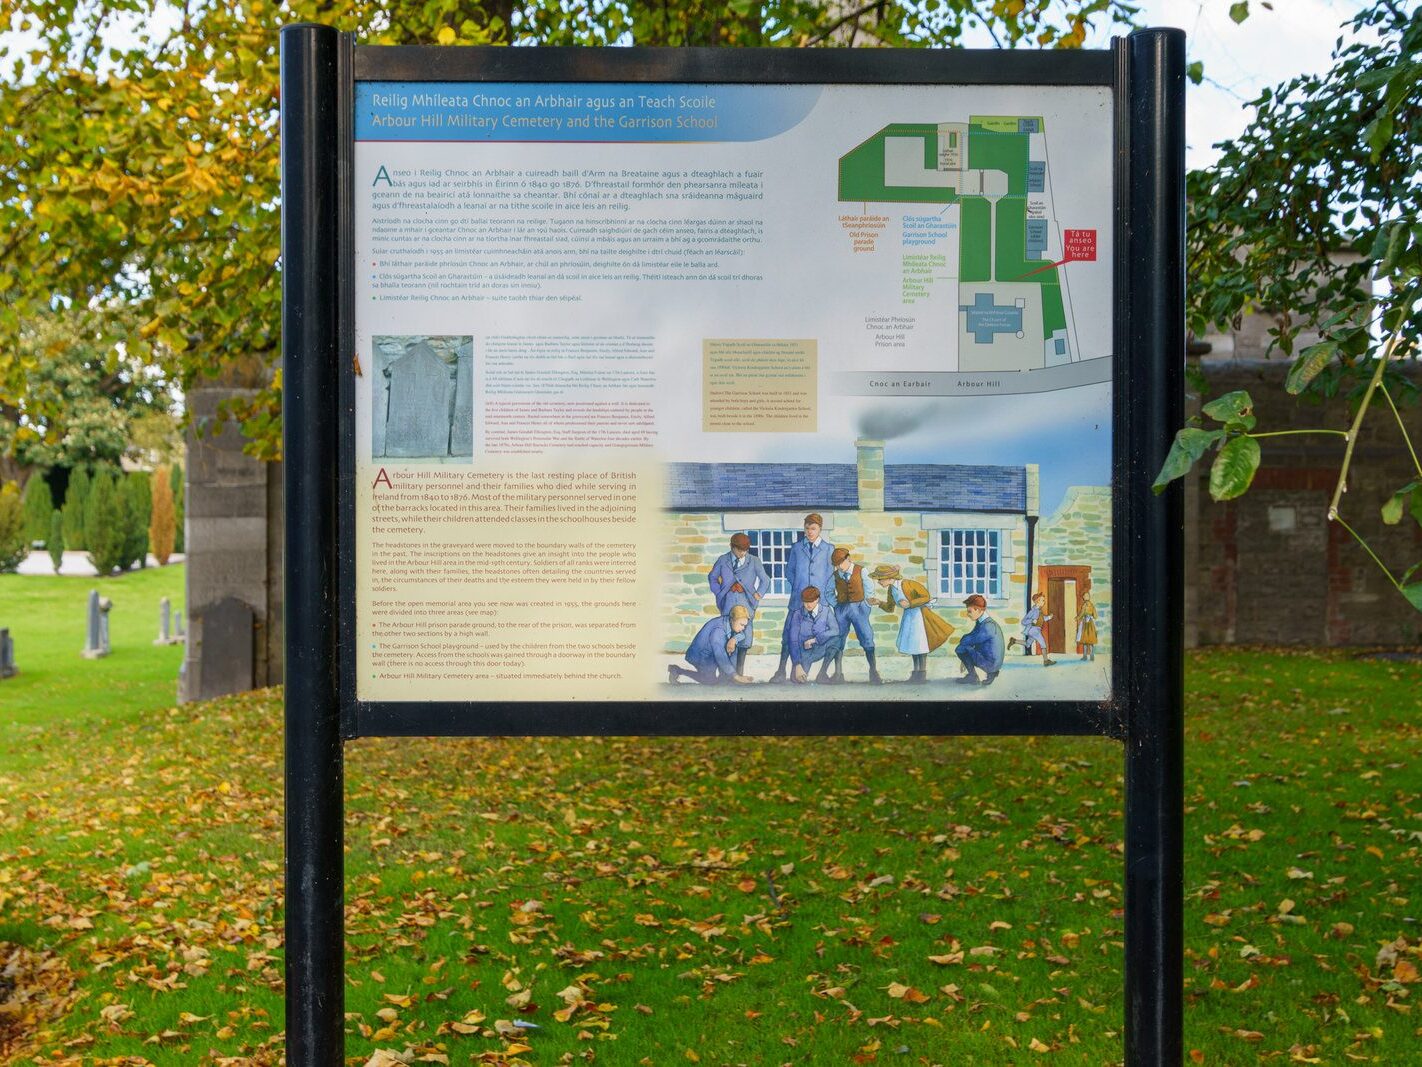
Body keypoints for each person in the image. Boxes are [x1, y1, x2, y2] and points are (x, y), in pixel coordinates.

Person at [768, 513, 836, 684]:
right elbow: (789, 572)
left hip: (820, 602)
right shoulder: (797, 548)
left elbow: (831, 576)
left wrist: (821, 596)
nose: (809, 532)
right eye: (807, 528)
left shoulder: (829, 549)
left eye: (813, 528)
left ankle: (820, 671)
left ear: (820, 529)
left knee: (824, 635)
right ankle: (780, 670)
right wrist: (801, 589)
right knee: (788, 636)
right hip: (798, 600)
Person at [869, 563, 954, 683]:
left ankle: (922, 674)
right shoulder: (891, 590)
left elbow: (926, 596)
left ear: (889, 578)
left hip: (919, 616)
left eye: (880, 579)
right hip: (909, 617)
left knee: (921, 645)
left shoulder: (908, 583)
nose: (879, 582)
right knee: (913, 645)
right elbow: (890, 608)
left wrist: (910, 603)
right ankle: (916, 674)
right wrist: (878, 602)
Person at [707, 532, 770, 676]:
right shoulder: (723, 560)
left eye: (745, 550)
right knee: (727, 634)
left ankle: (739, 673)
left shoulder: (754, 561)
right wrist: (720, 591)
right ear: (732, 547)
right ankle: (726, 674)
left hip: (746, 603)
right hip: (728, 603)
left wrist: (758, 594)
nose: (743, 553)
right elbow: (712, 578)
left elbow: (765, 580)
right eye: (739, 550)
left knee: (744, 637)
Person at [668, 605, 754, 685]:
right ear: (732, 619)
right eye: (741, 625)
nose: (743, 628)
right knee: (709, 681)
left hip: (711, 654)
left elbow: (742, 634)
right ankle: (677, 670)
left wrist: (734, 639)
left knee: (719, 678)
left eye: (745, 626)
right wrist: (736, 676)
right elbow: (721, 656)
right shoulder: (718, 631)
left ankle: (725, 678)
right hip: (701, 656)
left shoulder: (730, 622)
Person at [831, 546, 882, 684]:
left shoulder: (861, 570)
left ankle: (873, 672)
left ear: (848, 559)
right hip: (841, 609)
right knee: (838, 638)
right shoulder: (835, 575)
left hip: (859, 608)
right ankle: (838, 673)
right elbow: (828, 592)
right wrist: (835, 604)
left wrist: (865, 606)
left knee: (866, 637)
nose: (839, 567)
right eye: (836, 565)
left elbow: (869, 589)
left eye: (841, 563)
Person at [786, 587, 842, 684]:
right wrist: (797, 663)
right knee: (797, 680)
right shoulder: (797, 614)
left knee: (837, 640)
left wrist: (815, 640)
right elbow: (793, 639)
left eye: (811, 601)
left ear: (817, 599)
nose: (808, 604)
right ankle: (799, 668)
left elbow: (835, 630)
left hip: (820, 647)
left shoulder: (826, 611)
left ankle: (822, 673)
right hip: (804, 652)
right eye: (805, 601)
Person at [955, 593, 1006, 685]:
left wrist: (964, 655)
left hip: (991, 664)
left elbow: (968, 640)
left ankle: (977, 676)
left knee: (960, 649)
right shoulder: (984, 622)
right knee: (963, 647)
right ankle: (974, 676)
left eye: (969, 611)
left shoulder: (987, 626)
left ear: (978, 610)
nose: (968, 614)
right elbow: (971, 637)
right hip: (990, 660)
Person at [1009, 592, 1057, 666]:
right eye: (1042, 600)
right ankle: (1046, 661)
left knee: (1028, 644)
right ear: (1037, 601)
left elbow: (1042, 619)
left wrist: (1049, 617)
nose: (1044, 602)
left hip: (1034, 630)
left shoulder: (1038, 611)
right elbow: (1023, 621)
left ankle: (1014, 641)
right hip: (1034, 630)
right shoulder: (1033, 611)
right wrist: (1032, 621)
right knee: (1043, 644)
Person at [1077, 588, 1098, 662]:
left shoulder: (1091, 605)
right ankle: (1085, 656)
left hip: (1089, 624)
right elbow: (1082, 614)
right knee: (1085, 640)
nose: (1085, 597)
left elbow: (1095, 615)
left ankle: (1091, 656)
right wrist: (1078, 617)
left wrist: (1090, 616)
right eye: (1084, 596)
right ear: (1083, 597)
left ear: (1089, 597)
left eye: (1087, 596)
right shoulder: (1084, 605)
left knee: (1090, 640)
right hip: (1085, 624)